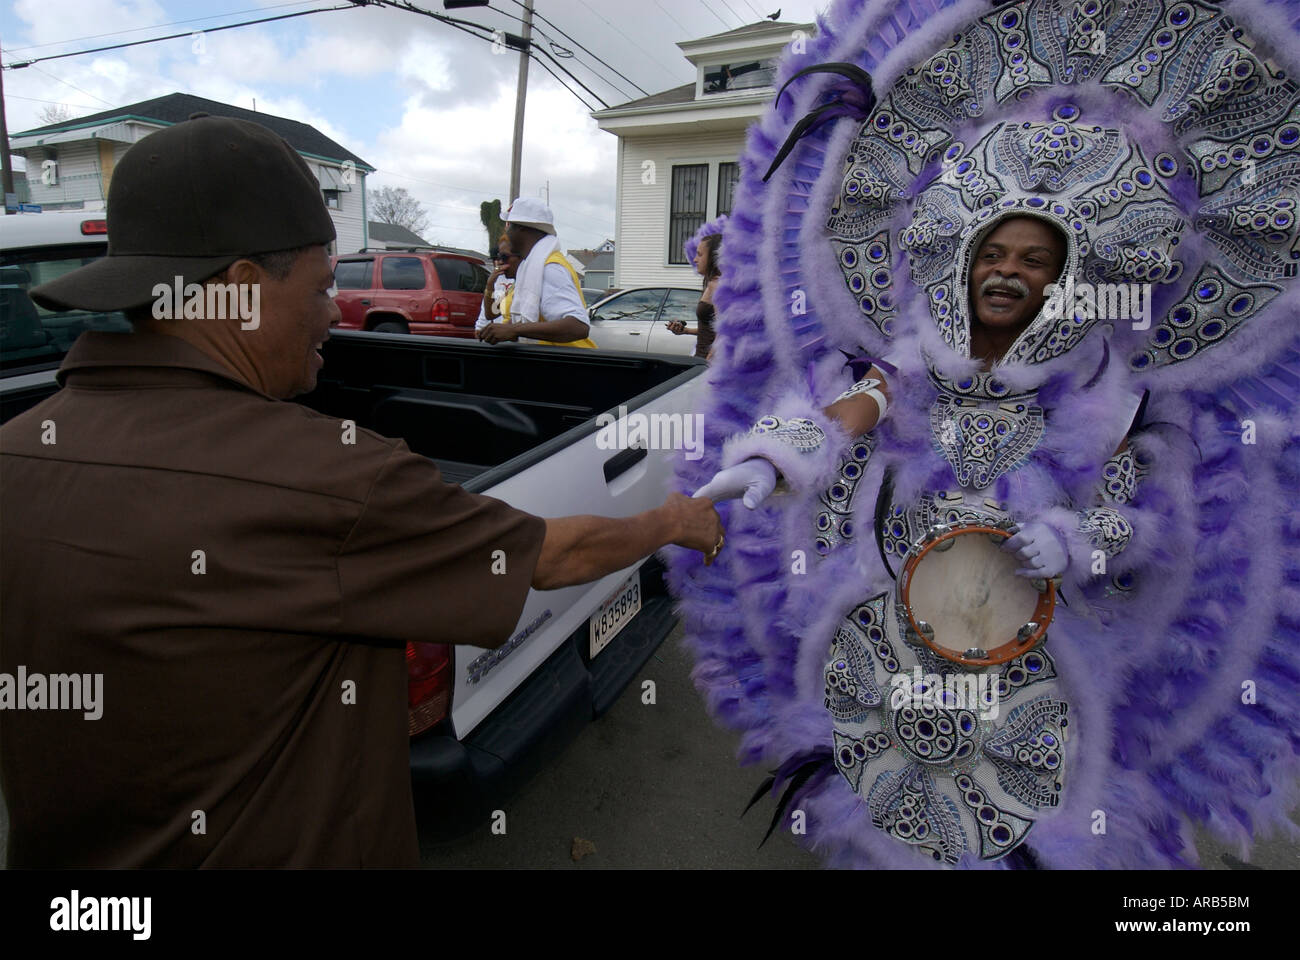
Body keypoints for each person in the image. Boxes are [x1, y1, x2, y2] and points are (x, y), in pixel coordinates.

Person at [673, 0, 1300, 871]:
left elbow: (1145, 524)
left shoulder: (1110, 394)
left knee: (1012, 837)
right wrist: (773, 460)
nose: (1005, 271)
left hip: (1038, 655)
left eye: (1032, 259)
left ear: (1068, 276)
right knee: (886, 817)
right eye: (992, 254)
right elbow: (852, 408)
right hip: (892, 627)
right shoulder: (918, 357)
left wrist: (1074, 540)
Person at [0, 115, 722, 868]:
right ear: (243, 293)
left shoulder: (14, 458)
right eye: (320, 290)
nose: (331, 317)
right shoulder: (332, 482)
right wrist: (671, 519)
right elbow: (548, 556)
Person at [477, 198, 597, 348]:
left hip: (571, 363)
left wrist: (513, 330)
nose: (507, 232)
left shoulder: (550, 267)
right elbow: (496, 314)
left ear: (522, 228)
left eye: (509, 226)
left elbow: (579, 326)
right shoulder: (530, 269)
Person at [667, 230, 720, 360]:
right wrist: (686, 331)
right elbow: (710, 329)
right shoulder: (710, 283)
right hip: (701, 358)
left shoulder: (718, 286)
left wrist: (707, 366)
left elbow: (725, 333)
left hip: (709, 364)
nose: (695, 259)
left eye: (700, 255)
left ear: (713, 257)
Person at [475, 233, 517, 334]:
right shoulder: (499, 280)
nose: (500, 262)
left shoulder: (527, 281)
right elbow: (491, 313)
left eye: (504, 257)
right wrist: (490, 285)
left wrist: (510, 331)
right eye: (497, 258)